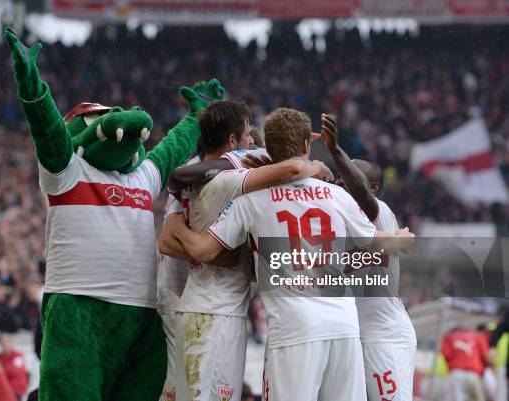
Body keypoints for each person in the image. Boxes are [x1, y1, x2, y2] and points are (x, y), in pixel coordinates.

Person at [4, 27, 224, 401]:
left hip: (139, 318)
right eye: (97, 119)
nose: (112, 121)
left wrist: (199, 115)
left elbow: (172, 148)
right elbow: (47, 131)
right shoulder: (66, 172)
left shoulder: (141, 176)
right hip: (78, 310)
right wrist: (32, 86)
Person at [165, 108, 414, 401]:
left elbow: (203, 250)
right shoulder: (336, 195)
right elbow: (376, 241)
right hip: (344, 326)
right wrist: (400, 238)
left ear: (266, 147)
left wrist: (176, 224)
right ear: (307, 145)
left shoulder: (250, 201)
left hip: (295, 328)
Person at [158, 101, 332, 401]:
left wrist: (224, 254)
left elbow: (171, 233)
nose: (252, 141)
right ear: (232, 142)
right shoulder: (230, 176)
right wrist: (311, 160)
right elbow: (293, 167)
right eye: (248, 134)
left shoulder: (200, 176)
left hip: (212, 307)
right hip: (212, 311)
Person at [320, 113, 417, 401]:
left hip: (384, 337)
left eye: (347, 177)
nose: (339, 182)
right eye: (337, 178)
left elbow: (362, 196)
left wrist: (336, 152)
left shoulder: (379, 212)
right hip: (352, 337)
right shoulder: (337, 225)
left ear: (372, 188)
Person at [441, 326, 488, 401]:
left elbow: (446, 355)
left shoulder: (450, 336)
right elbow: (485, 356)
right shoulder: (478, 337)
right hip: (474, 373)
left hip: (456, 372)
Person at [0, 333, 29, 400]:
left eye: (7, 342)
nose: (5, 344)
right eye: (3, 342)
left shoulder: (18, 356)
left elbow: (15, 372)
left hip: (16, 388)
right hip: (2, 388)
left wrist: (2, 370)